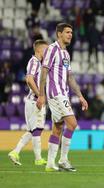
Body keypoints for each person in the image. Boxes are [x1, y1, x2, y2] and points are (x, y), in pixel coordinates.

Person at [36, 23, 88, 172]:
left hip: (63, 93)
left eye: (71, 32)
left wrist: (80, 96)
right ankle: (63, 160)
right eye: (67, 32)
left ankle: (50, 164)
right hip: (55, 93)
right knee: (72, 124)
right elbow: (44, 72)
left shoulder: (65, 53)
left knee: (58, 128)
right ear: (59, 34)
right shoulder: (52, 49)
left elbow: (69, 77)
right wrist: (41, 95)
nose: (70, 35)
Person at [8, 39, 48, 166]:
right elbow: (29, 79)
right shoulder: (34, 62)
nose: (48, 53)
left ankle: (15, 152)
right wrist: (40, 95)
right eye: (46, 50)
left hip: (33, 100)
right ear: (39, 50)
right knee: (37, 129)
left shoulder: (38, 63)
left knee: (32, 130)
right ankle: (38, 159)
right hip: (35, 101)